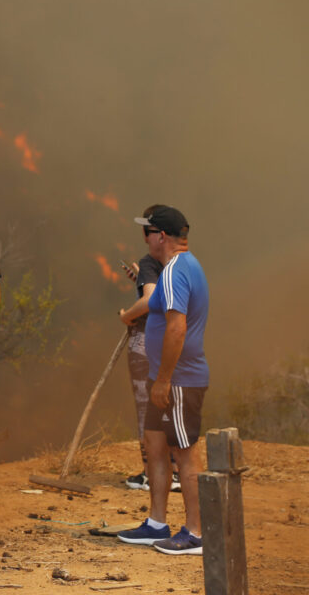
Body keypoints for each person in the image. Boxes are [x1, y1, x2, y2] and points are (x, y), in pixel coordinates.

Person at [117, 206, 209, 555]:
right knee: (155, 445)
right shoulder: (177, 268)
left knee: (184, 454)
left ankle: (196, 533)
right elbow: (151, 304)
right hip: (166, 378)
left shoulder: (176, 271)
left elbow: (177, 327)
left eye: (148, 233)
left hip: (180, 380)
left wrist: (164, 380)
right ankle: (156, 523)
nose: (145, 239)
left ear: (162, 237)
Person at [118, 204, 180, 493]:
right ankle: (175, 471)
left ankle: (150, 472)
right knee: (169, 407)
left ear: (156, 234)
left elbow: (149, 300)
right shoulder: (181, 264)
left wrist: (127, 316)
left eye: (146, 230)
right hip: (175, 343)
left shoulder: (150, 262)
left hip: (147, 343)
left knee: (147, 408)